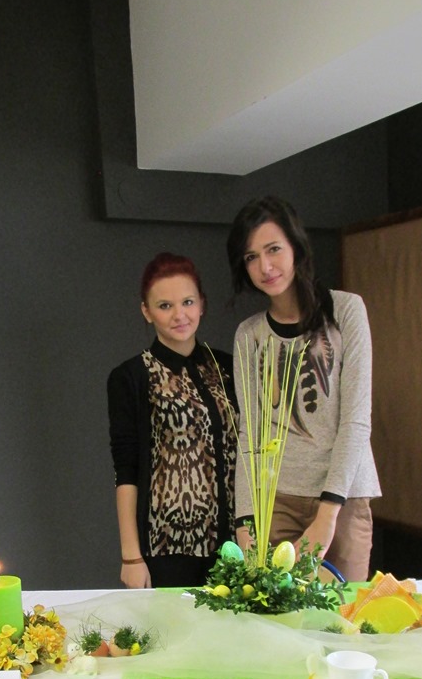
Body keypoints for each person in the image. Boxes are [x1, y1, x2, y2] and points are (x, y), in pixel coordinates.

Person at [226, 196, 380, 582]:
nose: (265, 266)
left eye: (274, 249)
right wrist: (246, 520)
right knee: (277, 613)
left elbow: (356, 421)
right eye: (251, 257)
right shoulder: (249, 335)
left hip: (344, 497)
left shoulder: (346, 311)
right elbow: (250, 434)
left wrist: (327, 515)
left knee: (342, 611)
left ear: (296, 246)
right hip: (275, 500)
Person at [107, 252, 237, 589]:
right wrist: (131, 557)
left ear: (201, 304)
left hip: (233, 544)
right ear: (146, 311)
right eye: (165, 306)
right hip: (167, 546)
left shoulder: (228, 368)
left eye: (188, 302)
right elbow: (126, 470)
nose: (179, 315)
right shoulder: (131, 376)